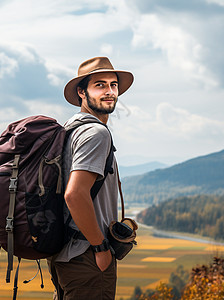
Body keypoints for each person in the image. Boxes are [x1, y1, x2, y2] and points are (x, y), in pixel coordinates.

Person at [47, 57, 134, 300]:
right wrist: (100, 247)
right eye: (100, 85)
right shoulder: (96, 133)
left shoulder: (69, 130)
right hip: (87, 257)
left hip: (65, 254)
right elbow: (74, 194)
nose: (109, 91)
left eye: (113, 85)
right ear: (81, 92)